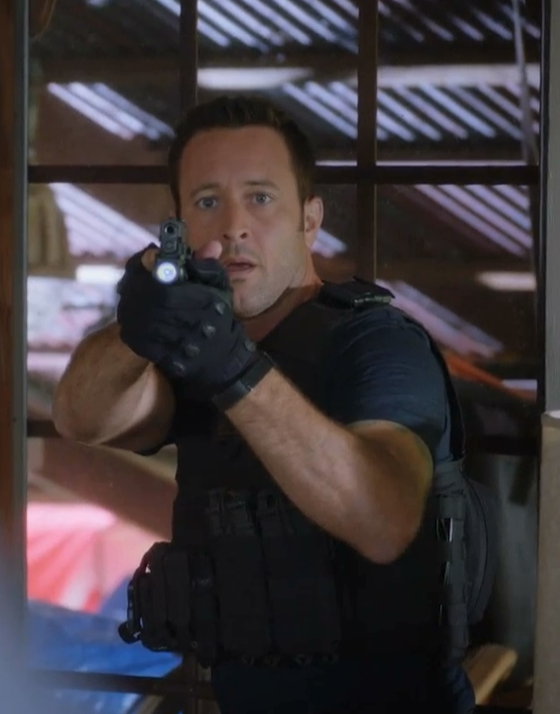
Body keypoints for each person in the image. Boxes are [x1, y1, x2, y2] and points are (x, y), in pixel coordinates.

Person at [52, 95, 478, 713]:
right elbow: (81, 418)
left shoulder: (377, 343)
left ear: (310, 219)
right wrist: (137, 329)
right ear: (179, 226)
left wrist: (235, 369)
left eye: (260, 197)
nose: (233, 226)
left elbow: (384, 523)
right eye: (207, 202)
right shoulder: (194, 347)